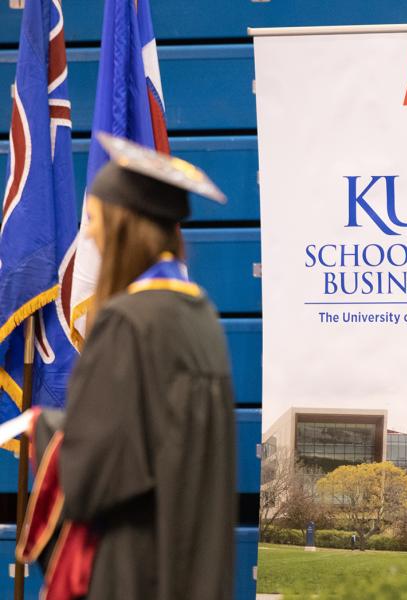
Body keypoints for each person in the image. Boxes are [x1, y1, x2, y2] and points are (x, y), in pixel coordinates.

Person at [15, 133, 236, 600]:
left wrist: (44, 427)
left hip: (136, 568)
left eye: (94, 219)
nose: (89, 233)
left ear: (123, 226)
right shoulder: (201, 317)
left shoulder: (126, 323)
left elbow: (92, 476)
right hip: (192, 563)